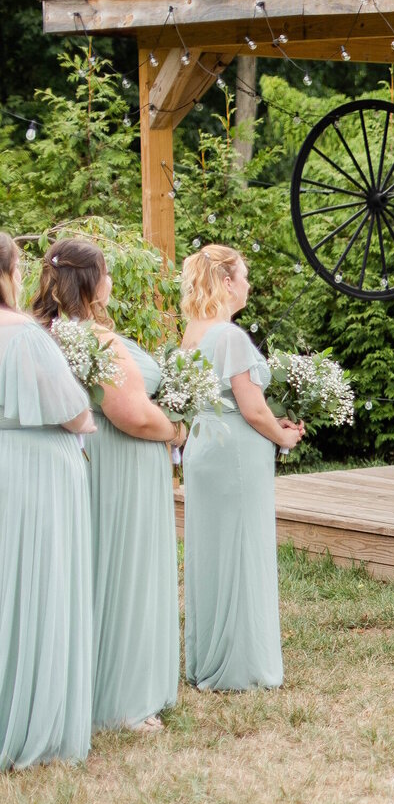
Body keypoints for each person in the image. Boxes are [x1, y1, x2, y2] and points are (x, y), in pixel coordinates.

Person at [28, 239, 183, 731]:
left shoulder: (41, 334)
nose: (113, 282)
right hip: (122, 466)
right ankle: (124, 699)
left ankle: (84, 687)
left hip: (84, 464)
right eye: (107, 273)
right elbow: (132, 415)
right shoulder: (96, 338)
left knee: (90, 570)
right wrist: (178, 429)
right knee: (125, 571)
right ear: (91, 282)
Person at [180, 245, 302, 692]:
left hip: (204, 444)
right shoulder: (228, 336)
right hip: (233, 451)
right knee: (242, 547)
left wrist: (271, 420)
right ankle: (241, 664)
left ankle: (209, 654)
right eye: (244, 276)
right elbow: (251, 409)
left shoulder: (192, 334)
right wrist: (283, 436)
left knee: (213, 549)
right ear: (227, 282)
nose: (249, 284)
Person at [0, 232, 97, 769]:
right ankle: (34, 721)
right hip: (38, 466)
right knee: (39, 582)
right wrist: (85, 418)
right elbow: (70, 408)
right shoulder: (25, 335)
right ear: (7, 274)